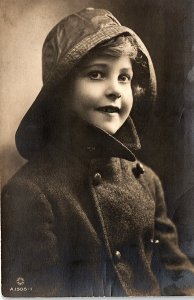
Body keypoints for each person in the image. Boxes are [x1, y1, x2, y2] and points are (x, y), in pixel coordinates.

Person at [2, 7, 194, 297]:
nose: (115, 90)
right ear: (61, 91)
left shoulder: (146, 181)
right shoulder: (30, 192)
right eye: (96, 74)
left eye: (124, 77)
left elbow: (179, 278)